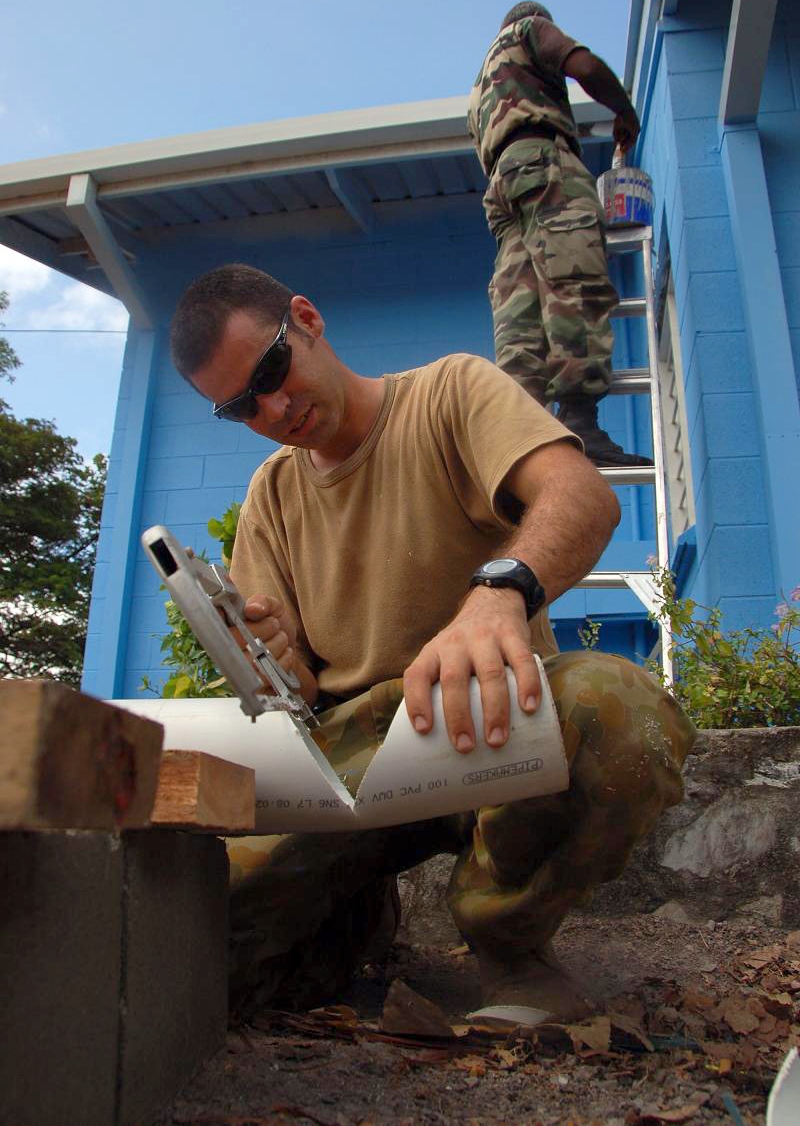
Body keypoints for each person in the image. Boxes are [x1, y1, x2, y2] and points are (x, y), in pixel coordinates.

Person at [170, 264, 694, 1024]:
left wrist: (498, 595)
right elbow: (304, 693)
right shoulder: (272, 497)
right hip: (352, 761)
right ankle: (348, 922)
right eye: (243, 406)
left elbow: (581, 495)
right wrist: (279, 667)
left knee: (619, 714)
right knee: (199, 957)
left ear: (308, 320)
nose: (276, 407)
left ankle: (511, 951)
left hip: (492, 718)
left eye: (274, 371)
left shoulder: (450, 392)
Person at [468, 0, 652, 466]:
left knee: (520, 312)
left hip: (502, 186)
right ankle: (579, 422)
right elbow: (584, 65)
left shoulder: (479, 89)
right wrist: (625, 112)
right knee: (574, 280)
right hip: (543, 164)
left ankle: (520, 442)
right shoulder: (529, 30)